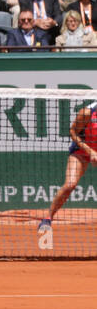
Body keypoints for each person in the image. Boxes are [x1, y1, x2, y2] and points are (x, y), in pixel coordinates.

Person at [38, 98, 97, 232]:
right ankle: (47, 219)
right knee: (70, 184)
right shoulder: (87, 112)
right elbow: (73, 132)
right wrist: (90, 152)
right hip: (82, 150)